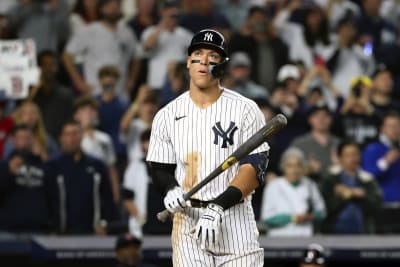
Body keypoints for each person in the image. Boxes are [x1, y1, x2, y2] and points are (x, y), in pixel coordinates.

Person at [146, 29, 269, 266]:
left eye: (213, 56)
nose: (203, 61)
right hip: (188, 221)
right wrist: (170, 188)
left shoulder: (245, 109)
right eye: (198, 54)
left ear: (222, 65)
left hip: (234, 218)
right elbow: (159, 166)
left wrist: (219, 206)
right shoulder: (166, 115)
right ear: (188, 62)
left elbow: (255, 168)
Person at [46, 120, 116, 234]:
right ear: (61, 138)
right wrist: (51, 227)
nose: (72, 138)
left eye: (75, 133)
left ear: (82, 136)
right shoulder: (53, 167)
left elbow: (107, 198)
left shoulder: (96, 166)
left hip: (92, 233)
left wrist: (105, 223)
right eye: (67, 134)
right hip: (61, 234)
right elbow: (47, 199)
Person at [62, 0, 142, 99]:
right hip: (95, 92)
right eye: (109, 6)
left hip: (120, 92)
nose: (113, 9)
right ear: (101, 9)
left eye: (116, 5)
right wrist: (79, 83)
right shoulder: (90, 31)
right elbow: (67, 55)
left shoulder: (127, 32)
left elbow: (137, 57)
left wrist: (131, 80)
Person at [260, 147, 326, 237]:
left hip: (306, 236)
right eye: (290, 166)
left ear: (303, 167)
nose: (294, 170)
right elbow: (267, 218)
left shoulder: (310, 184)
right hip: (279, 238)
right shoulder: (273, 186)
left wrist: (310, 216)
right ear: (283, 167)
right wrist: (293, 218)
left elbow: (322, 213)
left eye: (298, 166)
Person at [320, 139, 382, 234]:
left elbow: (376, 206)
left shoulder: (368, 179)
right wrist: (346, 196)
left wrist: (361, 196)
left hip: (363, 233)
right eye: (348, 155)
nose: (352, 158)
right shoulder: (329, 179)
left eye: (355, 154)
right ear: (340, 158)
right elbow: (323, 208)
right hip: (333, 234)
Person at [0, 124, 49, 233]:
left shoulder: (43, 165)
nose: (24, 142)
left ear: (33, 140)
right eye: (20, 137)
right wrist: (8, 173)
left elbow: (52, 193)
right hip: (8, 229)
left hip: (39, 228)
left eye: (28, 138)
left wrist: (45, 162)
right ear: (12, 140)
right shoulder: (3, 165)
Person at [361, 110, 400, 233]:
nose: (395, 130)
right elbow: (366, 176)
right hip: (383, 207)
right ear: (382, 128)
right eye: (391, 126)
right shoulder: (373, 149)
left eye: (398, 126)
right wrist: (385, 162)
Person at [141, 0, 193, 91]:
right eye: (168, 10)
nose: (172, 15)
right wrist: (163, 24)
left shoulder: (186, 34)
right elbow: (147, 46)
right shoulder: (150, 31)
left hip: (178, 85)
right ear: (162, 12)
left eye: (174, 12)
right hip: (157, 83)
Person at [29, 50, 74, 141]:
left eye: (52, 64)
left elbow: (70, 121)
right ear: (38, 68)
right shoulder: (30, 93)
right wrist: (32, 92)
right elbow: (20, 115)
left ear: (57, 68)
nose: (49, 68)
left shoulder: (66, 94)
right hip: (33, 141)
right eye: (44, 64)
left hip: (59, 143)